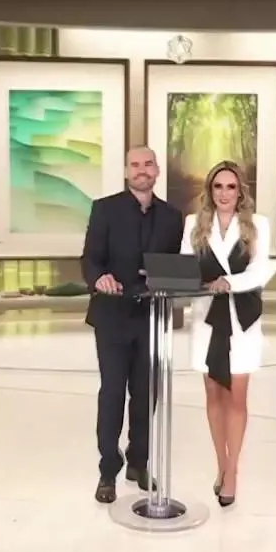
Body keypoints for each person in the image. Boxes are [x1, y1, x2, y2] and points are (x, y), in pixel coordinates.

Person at [81, 146, 186, 504]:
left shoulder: (173, 217)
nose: (142, 170)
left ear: (157, 171)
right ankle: (108, 469)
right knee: (112, 392)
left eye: (148, 164)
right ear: (126, 171)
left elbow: (176, 267)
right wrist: (100, 278)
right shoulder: (104, 209)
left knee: (145, 394)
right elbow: (90, 259)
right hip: (112, 317)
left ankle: (138, 463)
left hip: (152, 318)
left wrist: (165, 278)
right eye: (135, 165)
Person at [179, 160, 270, 508]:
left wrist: (228, 282)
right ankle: (221, 465)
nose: (224, 193)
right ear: (210, 191)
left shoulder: (257, 225)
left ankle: (233, 473)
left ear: (240, 191)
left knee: (236, 398)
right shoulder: (194, 224)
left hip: (242, 320)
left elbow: (260, 271)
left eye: (231, 187)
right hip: (206, 319)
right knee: (213, 394)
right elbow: (187, 267)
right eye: (218, 187)